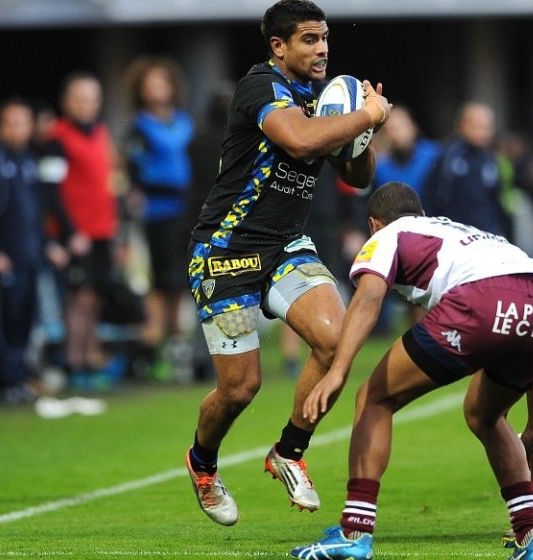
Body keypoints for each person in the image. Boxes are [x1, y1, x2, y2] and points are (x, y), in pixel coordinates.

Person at [184, 0, 391, 526]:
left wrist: (366, 133)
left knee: (335, 338)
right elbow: (298, 139)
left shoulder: (325, 98)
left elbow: (357, 176)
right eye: (309, 40)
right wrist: (362, 116)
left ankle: (289, 451)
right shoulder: (260, 87)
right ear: (279, 46)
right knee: (240, 388)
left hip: (284, 245)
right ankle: (203, 463)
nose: (322, 49)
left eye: (325, 39)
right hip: (226, 251)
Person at [289, 183, 533, 560]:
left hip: (482, 300)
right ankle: (531, 538)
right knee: (485, 415)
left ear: (373, 224)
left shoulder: (389, 234)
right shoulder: (463, 233)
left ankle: (355, 532)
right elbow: (529, 338)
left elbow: (368, 296)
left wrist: (337, 371)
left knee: (373, 399)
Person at [43, 72, 123, 388]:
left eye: (92, 99)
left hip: (103, 229)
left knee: (95, 296)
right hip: (77, 233)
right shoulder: (56, 139)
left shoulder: (101, 133)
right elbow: (50, 191)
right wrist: (69, 231)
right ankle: (74, 361)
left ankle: (90, 356)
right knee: (79, 298)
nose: (86, 105)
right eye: (80, 99)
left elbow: (110, 182)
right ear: (66, 103)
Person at [123, 56, 196, 379]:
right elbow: (132, 169)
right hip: (157, 212)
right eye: (151, 83)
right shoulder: (139, 127)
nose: (157, 89)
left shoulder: (184, 122)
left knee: (182, 281)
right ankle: (154, 346)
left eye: (162, 82)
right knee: (160, 281)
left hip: (187, 211)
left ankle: (177, 345)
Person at [0, 98, 51, 403]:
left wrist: (46, 246)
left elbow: (37, 213)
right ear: (1, 127)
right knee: (4, 320)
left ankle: (19, 376)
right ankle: (4, 380)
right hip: (7, 257)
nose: (18, 129)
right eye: (11, 123)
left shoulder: (31, 162)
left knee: (25, 319)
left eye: (23, 123)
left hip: (30, 256)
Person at [423, 101, 508, 236]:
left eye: (487, 127)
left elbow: (499, 201)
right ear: (461, 126)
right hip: (455, 234)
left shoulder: (493, 160)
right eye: (478, 126)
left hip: (487, 234)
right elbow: (432, 197)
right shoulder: (447, 157)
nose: (483, 132)